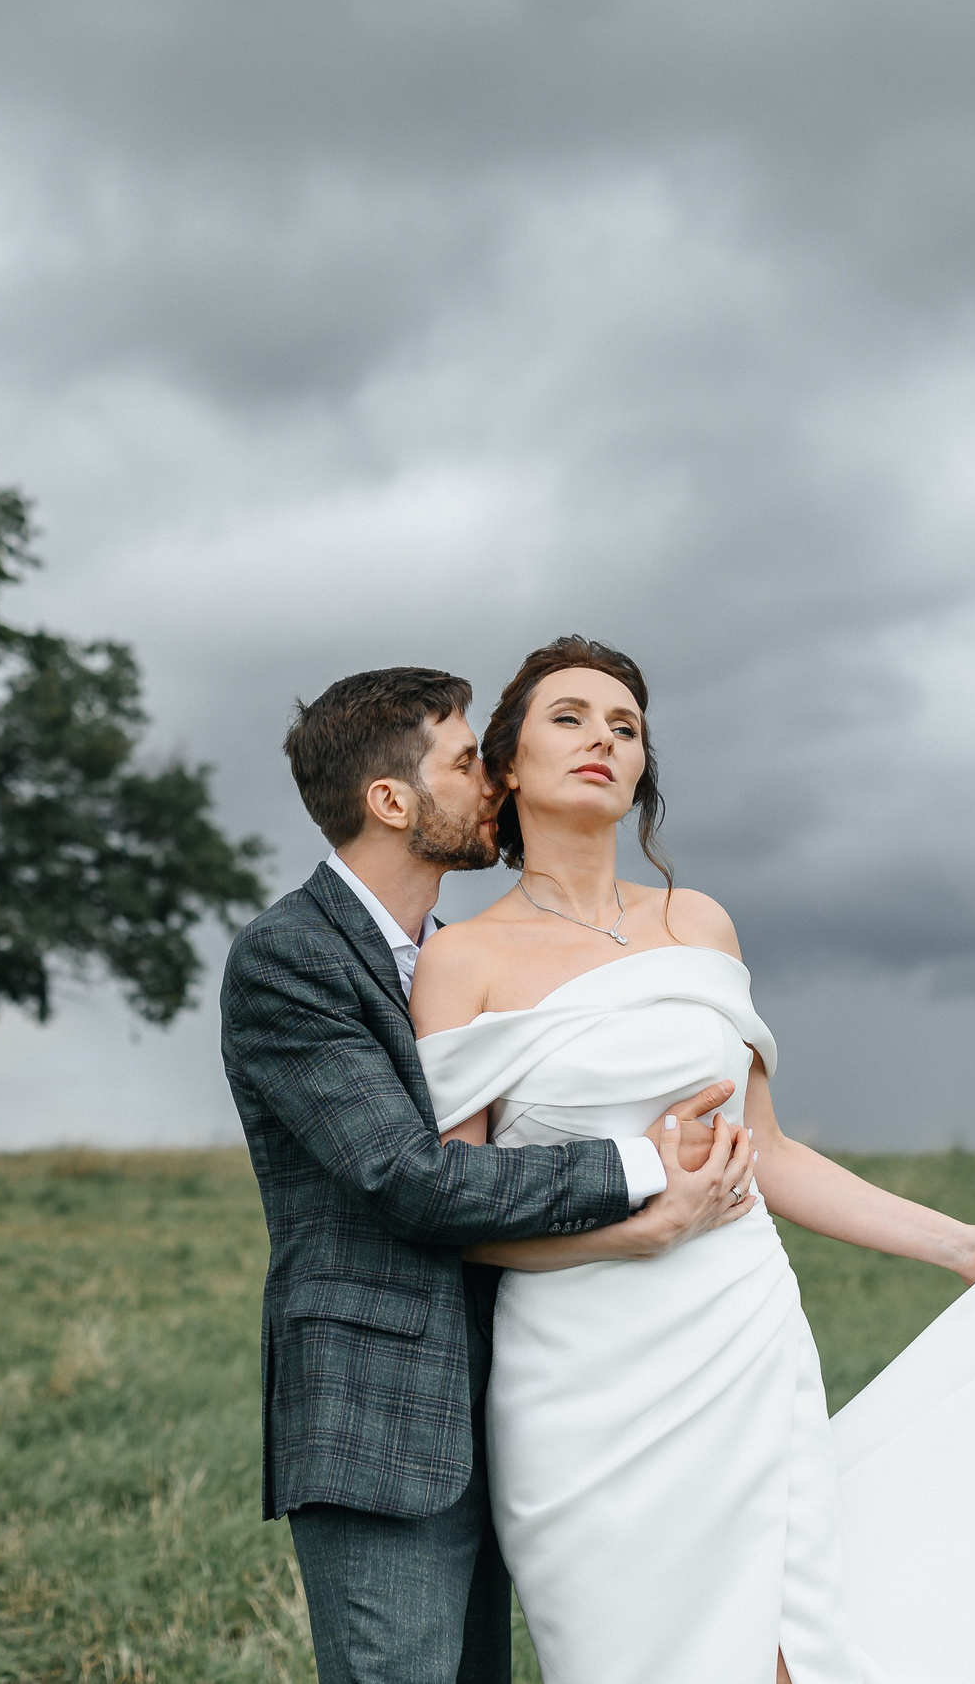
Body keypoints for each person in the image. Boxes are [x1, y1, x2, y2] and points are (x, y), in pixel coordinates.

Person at [409, 635, 975, 1684]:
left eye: (626, 726)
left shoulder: (697, 924)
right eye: (570, 716)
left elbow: (773, 1150)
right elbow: (452, 1211)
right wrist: (643, 1223)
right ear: (507, 763)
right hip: (576, 1374)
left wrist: (953, 1239)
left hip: (737, 1331)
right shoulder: (460, 957)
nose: (603, 738)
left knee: (792, 1652)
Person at [219, 666, 759, 1684]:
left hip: (518, 1394)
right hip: (381, 1414)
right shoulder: (289, 956)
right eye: (467, 762)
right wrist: (642, 1164)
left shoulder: (442, 956)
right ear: (391, 800)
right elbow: (408, 1178)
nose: (491, 782)